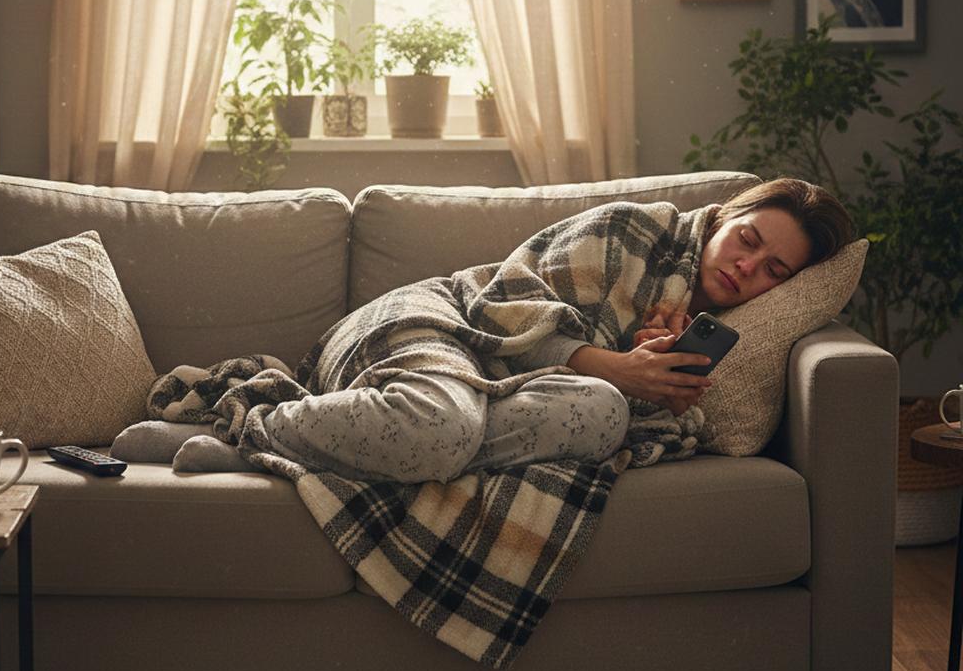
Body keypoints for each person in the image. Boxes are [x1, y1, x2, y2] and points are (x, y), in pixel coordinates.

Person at [243, 178, 856, 484]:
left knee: (602, 415)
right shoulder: (632, 229)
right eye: (747, 240)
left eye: (773, 271)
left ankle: (396, 439)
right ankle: (256, 424)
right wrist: (615, 365)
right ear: (723, 219)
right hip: (440, 321)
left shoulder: (709, 327)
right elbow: (506, 305)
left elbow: (620, 402)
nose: (747, 267)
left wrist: (643, 379)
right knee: (444, 424)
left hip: (494, 390)